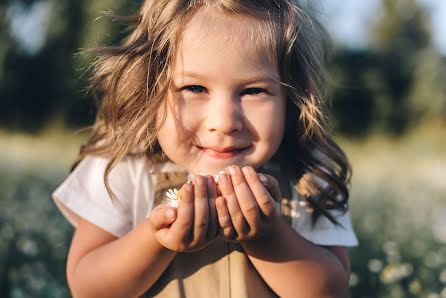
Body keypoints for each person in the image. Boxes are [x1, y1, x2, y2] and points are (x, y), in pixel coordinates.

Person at [53, 0, 358, 297]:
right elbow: (86, 286)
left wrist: (268, 237)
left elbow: (329, 290)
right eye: (195, 88)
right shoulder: (125, 164)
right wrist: (155, 240)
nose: (224, 123)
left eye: (253, 91)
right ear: (150, 89)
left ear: (292, 97)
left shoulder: (305, 174)